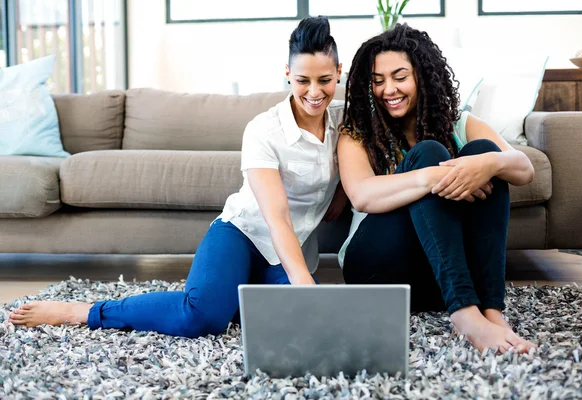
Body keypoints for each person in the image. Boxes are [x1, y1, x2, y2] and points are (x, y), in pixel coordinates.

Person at [8, 16, 347, 338]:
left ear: (339, 74)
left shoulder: (344, 125)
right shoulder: (264, 130)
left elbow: (362, 165)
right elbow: (278, 219)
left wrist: (341, 195)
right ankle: (83, 311)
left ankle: (232, 296)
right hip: (242, 234)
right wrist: (303, 280)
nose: (314, 92)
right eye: (303, 80)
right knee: (201, 317)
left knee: (297, 321)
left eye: (324, 80)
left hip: (287, 251)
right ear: (287, 74)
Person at [337, 23, 536, 354]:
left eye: (400, 77)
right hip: (376, 271)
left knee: (482, 151)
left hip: (439, 277)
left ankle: (491, 311)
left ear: (422, 76)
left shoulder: (460, 123)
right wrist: (432, 176)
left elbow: (524, 169)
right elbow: (361, 194)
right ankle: (464, 315)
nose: (389, 89)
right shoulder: (358, 131)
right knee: (429, 152)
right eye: (378, 81)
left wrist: (489, 164)